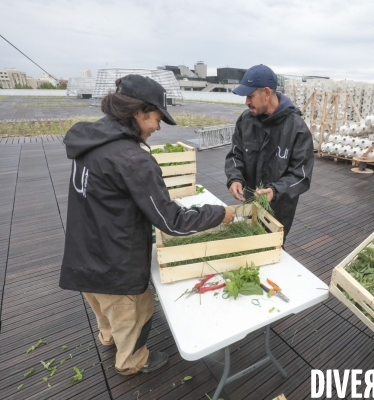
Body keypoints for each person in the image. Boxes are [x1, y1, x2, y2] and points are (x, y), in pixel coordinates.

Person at [59, 75, 235, 375]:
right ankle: (131, 361)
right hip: (115, 262)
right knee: (135, 311)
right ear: (138, 112)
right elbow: (173, 222)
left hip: (82, 253)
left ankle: (108, 337)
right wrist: (220, 214)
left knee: (103, 307)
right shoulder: (132, 159)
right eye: (156, 117)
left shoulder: (90, 141)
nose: (158, 126)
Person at [225, 64, 314, 242]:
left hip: (279, 208)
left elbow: (301, 175)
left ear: (266, 93)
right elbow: (236, 154)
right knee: (248, 243)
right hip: (250, 202)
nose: (246, 102)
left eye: (250, 96)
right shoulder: (245, 120)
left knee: (272, 248)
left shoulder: (297, 128)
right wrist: (235, 178)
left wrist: (275, 190)